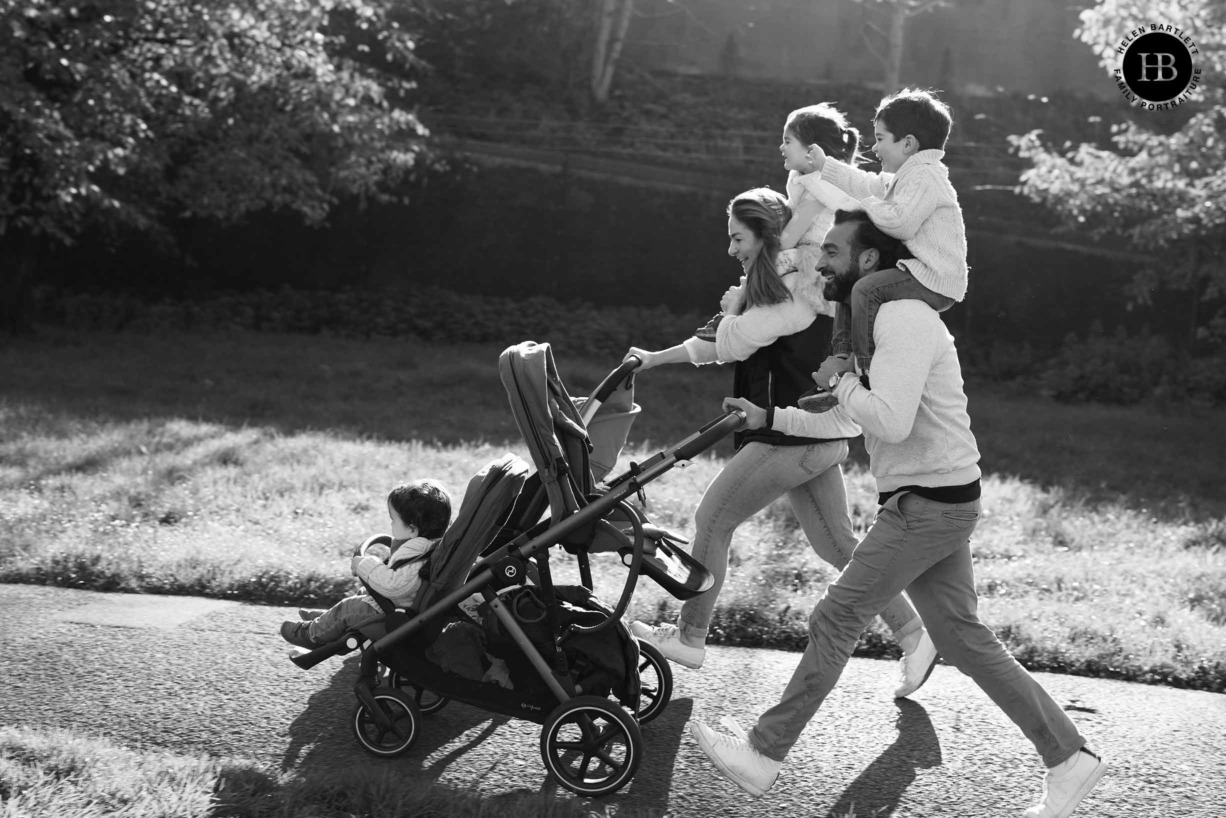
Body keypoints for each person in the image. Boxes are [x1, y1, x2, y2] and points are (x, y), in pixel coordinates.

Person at [697, 208, 1106, 818]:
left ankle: (763, 752)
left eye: (831, 251)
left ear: (867, 261)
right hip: (935, 498)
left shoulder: (906, 319)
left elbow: (887, 418)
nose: (819, 260)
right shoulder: (872, 319)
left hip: (927, 506)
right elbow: (847, 419)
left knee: (836, 619)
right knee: (962, 639)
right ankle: (1070, 760)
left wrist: (840, 382)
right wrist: (771, 419)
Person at [626, 187, 939, 701]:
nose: (731, 250)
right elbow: (723, 338)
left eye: (737, 238)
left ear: (765, 237)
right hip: (819, 433)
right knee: (837, 544)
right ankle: (915, 636)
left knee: (713, 519)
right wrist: (656, 358)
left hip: (790, 432)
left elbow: (732, 339)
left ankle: (690, 636)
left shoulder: (794, 291)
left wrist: (733, 309)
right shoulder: (774, 287)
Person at [798, 88, 968, 413]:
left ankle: (863, 371)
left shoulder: (925, 177)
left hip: (935, 279)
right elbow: (865, 184)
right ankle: (841, 358)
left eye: (880, 138)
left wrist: (864, 204)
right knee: (851, 286)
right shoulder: (905, 176)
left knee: (865, 288)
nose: (873, 148)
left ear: (907, 143)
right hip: (918, 272)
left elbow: (901, 223)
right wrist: (825, 166)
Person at [280, 479, 452, 649]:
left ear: (412, 529)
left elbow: (394, 585)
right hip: (398, 602)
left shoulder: (419, 559)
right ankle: (328, 620)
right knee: (361, 594)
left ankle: (312, 634)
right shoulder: (427, 547)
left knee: (349, 608)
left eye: (393, 520)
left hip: (396, 613)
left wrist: (366, 565)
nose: (391, 524)